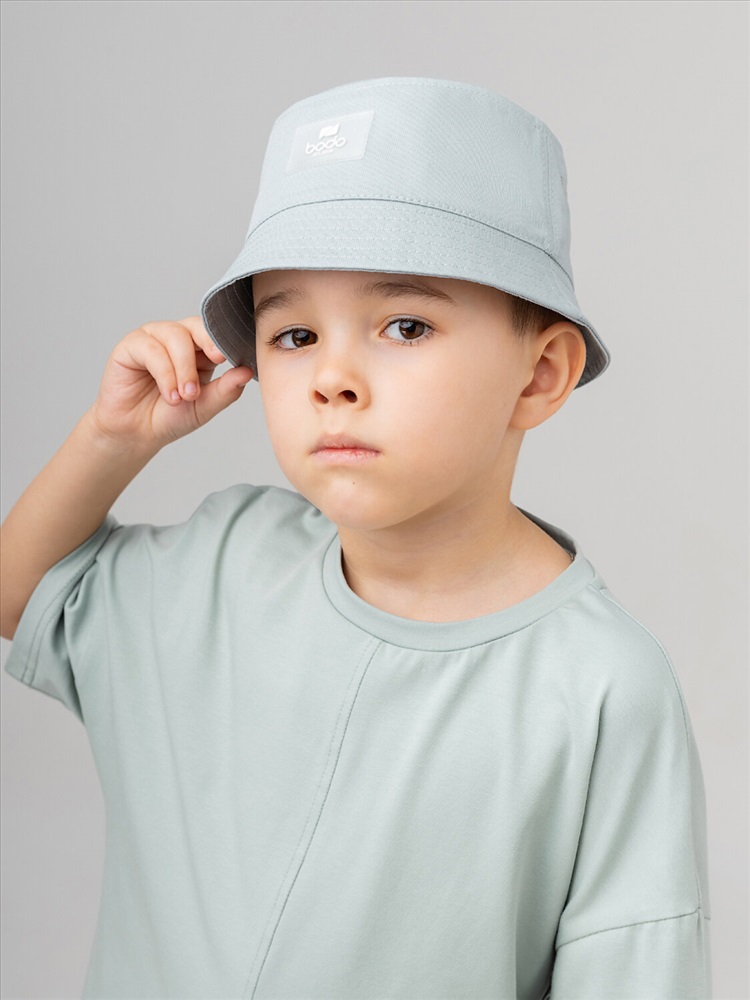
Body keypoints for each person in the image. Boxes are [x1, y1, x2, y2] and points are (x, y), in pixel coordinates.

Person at [0, 77, 711, 999]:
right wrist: (111, 440)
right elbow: (24, 597)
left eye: (404, 325)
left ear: (540, 374)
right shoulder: (223, 564)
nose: (331, 376)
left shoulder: (600, 687)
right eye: (294, 334)